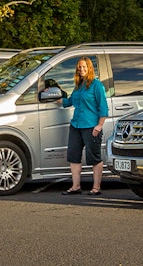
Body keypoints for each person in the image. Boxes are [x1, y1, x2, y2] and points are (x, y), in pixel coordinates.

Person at [60, 57, 109, 195]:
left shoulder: (96, 85)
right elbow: (70, 101)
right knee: (73, 156)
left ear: (89, 68)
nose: (81, 69)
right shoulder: (78, 86)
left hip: (91, 126)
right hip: (76, 125)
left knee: (94, 157)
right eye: (79, 67)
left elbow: (103, 107)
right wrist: (55, 98)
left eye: (84, 67)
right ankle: (76, 187)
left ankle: (96, 188)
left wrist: (99, 125)